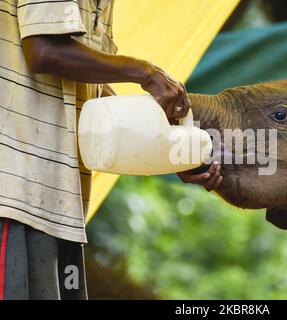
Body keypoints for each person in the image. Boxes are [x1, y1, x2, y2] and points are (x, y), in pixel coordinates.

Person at [0, 0, 221, 300]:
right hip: (13, 196)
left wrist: (162, 147)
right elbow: (44, 51)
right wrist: (146, 73)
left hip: (58, 206)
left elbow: (89, 86)